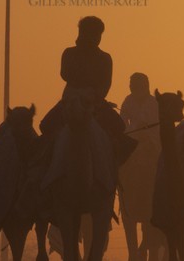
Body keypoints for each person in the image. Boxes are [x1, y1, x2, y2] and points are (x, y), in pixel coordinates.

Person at [39, 15, 134, 161]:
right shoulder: (70, 53)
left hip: (95, 102)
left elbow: (106, 83)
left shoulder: (104, 58)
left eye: (97, 34)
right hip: (70, 101)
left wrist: (94, 96)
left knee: (119, 128)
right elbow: (65, 74)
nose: (94, 37)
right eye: (90, 33)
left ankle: (113, 170)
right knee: (46, 126)